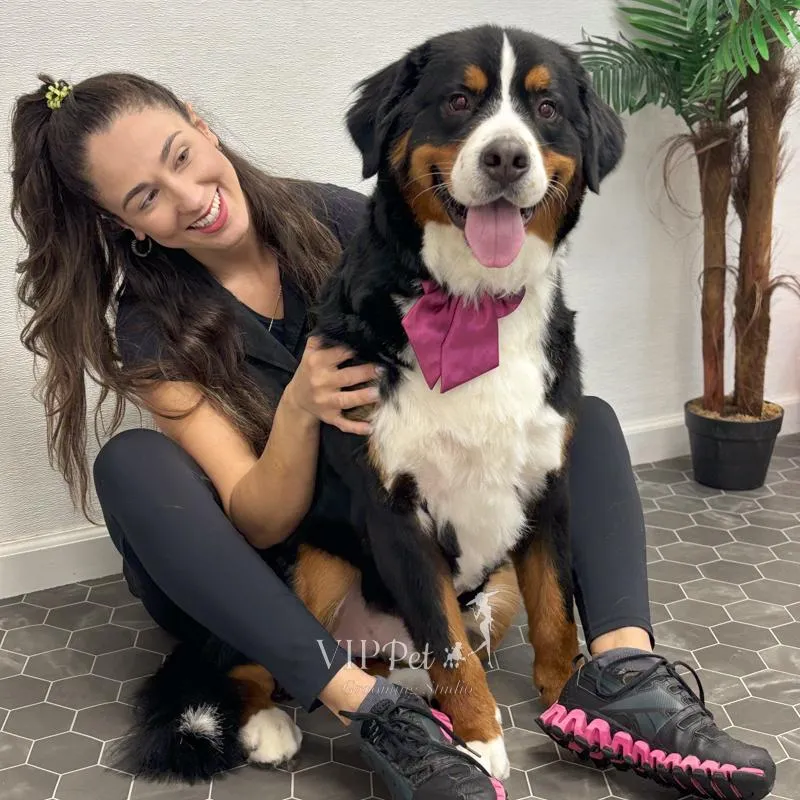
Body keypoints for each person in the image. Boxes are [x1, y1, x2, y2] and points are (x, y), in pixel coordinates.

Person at [9, 72, 775, 800]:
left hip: (403, 541)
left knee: (588, 417)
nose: (189, 197)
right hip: (266, 579)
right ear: (119, 222)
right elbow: (260, 517)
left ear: (202, 128)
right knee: (133, 463)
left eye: (182, 157)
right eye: (146, 196)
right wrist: (302, 406)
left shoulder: (341, 220)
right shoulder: (147, 328)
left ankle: (623, 675)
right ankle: (374, 711)